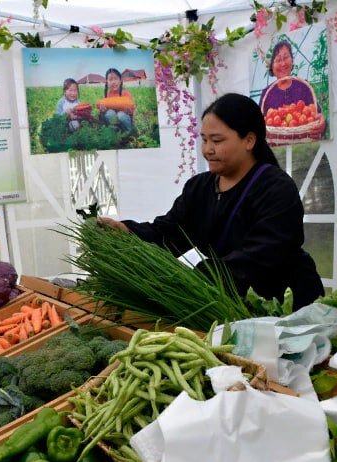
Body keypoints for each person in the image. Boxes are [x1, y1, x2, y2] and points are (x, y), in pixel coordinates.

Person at [99, 93, 324, 310]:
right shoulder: (199, 188)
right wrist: (129, 232)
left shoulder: (275, 189)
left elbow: (259, 257)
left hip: (285, 305)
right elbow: (170, 232)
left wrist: (193, 279)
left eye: (217, 140)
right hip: (231, 301)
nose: (207, 149)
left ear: (249, 140)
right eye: (204, 140)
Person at [258, 40, 318, 116]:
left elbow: (317, 115)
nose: (283, 64)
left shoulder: (304, 87)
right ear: (271, 66)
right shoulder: (266, 94)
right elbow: (259, 123)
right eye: (278, 60)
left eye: (286, 57)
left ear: (292, 60)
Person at [96, 68, 135, 132]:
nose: (113, 82)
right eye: (110, 79)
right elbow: (102, 116)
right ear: (107, 82)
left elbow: (132, 114)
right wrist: (102, 111)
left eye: (116, 79)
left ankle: (128, 134)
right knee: (109, 113)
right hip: (112, 123)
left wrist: (130, 112)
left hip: (124, 123)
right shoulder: (106, 96)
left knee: (121, 115)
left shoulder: (126, 94)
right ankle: (114, 133)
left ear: (120, 80)